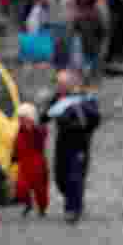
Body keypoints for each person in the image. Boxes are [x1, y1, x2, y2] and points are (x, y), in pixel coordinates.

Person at [43, 70, 101, 223]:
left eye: (62, 84)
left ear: (72, 83)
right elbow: (46, 115)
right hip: (62, 143)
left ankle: (72, 209)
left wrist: (79, 112)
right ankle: (74, 199)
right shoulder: (58, 98)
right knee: (60, 177)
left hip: (80, 143)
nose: (59, 86)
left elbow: (95, 119)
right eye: (58, 83)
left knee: (74, 177)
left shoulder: (86, 98)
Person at [13, 103, 50, 217]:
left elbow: (42, 135)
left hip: (37, 164)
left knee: (40, 189)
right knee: (21, 187)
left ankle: (42, 208)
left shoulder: (38, 130)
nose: (21, 121)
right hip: (24, 164)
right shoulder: (20, 131)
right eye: (20, 119)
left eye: (23, 118)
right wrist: (13, 157)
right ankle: (28, 204)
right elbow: (16, 146)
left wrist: (34, 128)